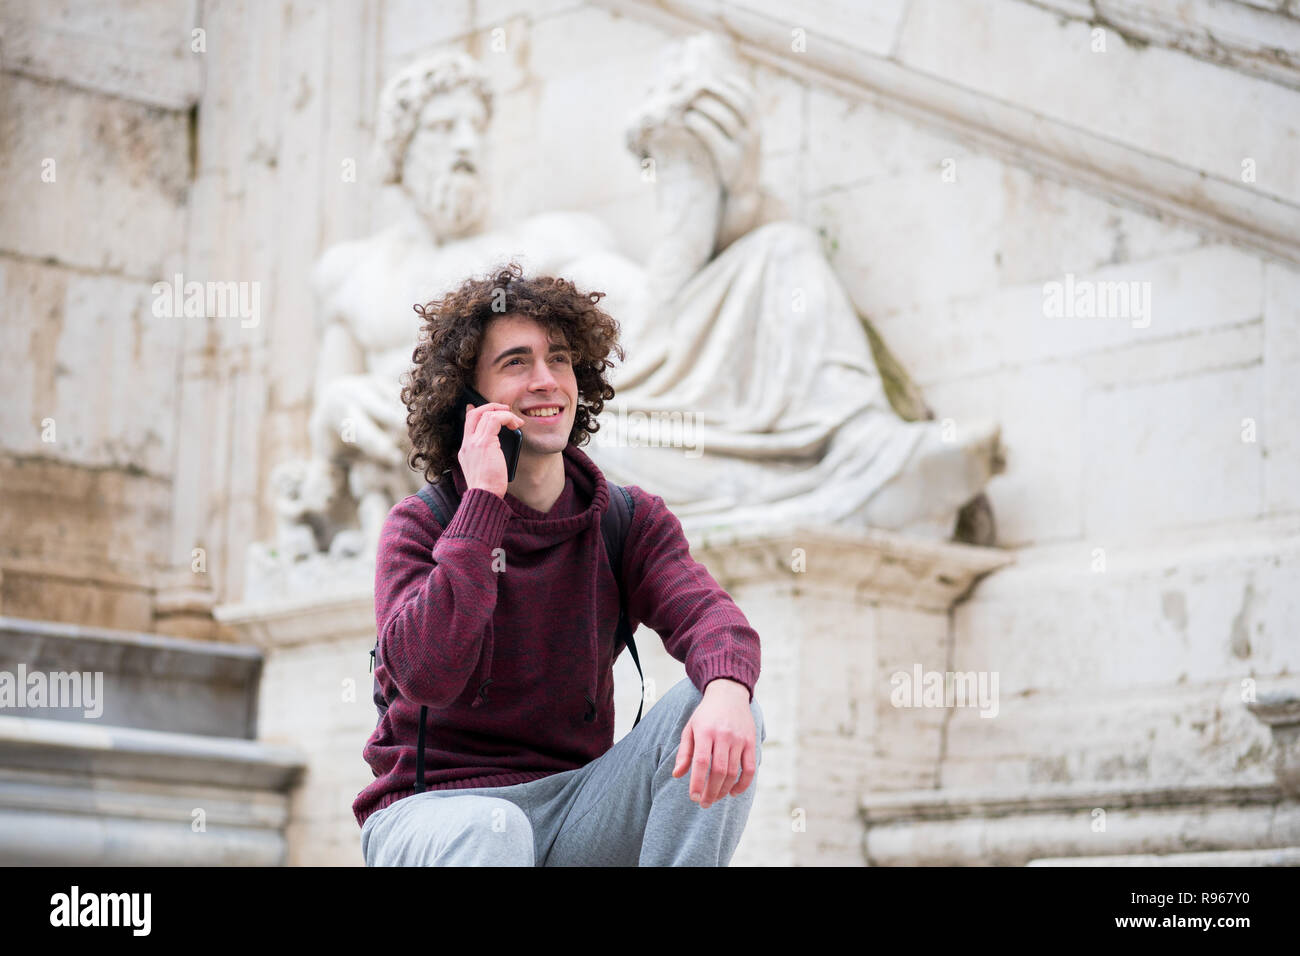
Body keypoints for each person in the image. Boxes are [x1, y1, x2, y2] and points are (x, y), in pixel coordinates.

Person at [353, 263, 765, 866]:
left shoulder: (626, 520)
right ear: (467, 398)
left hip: (577, 807)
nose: (547, 381)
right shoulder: (421, 524)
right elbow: (425, 674)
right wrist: (482, 504)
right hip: (434, 812)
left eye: (562, 360)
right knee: (496, 830)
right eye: (516, 363)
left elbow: (712, 620)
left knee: (726, 702)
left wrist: (729, 690)